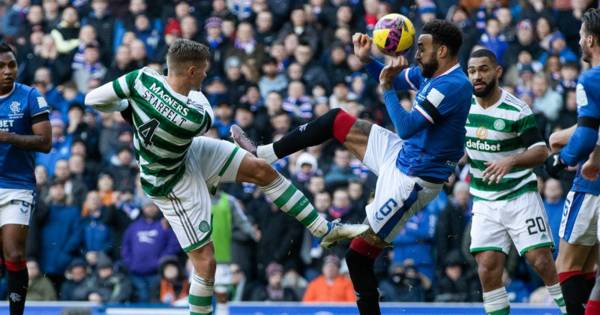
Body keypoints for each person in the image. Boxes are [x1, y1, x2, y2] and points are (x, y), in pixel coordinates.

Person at [84, 38, 367, 314]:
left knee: (261, 170)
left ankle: (323, 230)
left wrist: (129, 110)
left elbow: (92, 98)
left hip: (186, 152)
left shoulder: (140, 79)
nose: (207, 74)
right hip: (171, 183)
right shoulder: (194, 117)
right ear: (192, 71)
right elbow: (192, 111)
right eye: (204, 68)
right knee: (206, 263)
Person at [232, 20, 470, 315]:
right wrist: (367, 61)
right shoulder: (432, 74)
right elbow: (394, 81)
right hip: (402, 154)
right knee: (336, 120)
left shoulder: (454, 85)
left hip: (413, 181)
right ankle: (265, 153)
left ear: (443, 50)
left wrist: (385, 88)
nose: (416, 53)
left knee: (358, 257)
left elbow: (406, 126)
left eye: (422, 48)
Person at [466, 48, 566, 315]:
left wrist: (510, 161)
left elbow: (541, 150)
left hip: (519, 193)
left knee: (540, 260)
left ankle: (569, 308)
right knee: (486, 267)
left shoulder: (517, 109)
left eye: (483, 69)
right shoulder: (462, 106)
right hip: (484, 199)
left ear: (497, 72)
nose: (477, 76)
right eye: (472, 71)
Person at [547, 8, 600, 315]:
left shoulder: (591, 78)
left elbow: (587, 137)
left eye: (581, 35)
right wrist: (560, 136)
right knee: (590, 266)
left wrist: (561, 159)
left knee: (566, 266)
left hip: (591, 185)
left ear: (591, 40)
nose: (578, 40)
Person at [0, 42, 52, 315]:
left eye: (11, 65)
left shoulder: (30, 96)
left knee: (16, 254)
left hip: (16, 186)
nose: (8, 71)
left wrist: (9, 138)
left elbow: (45, 142)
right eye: (1, 67)